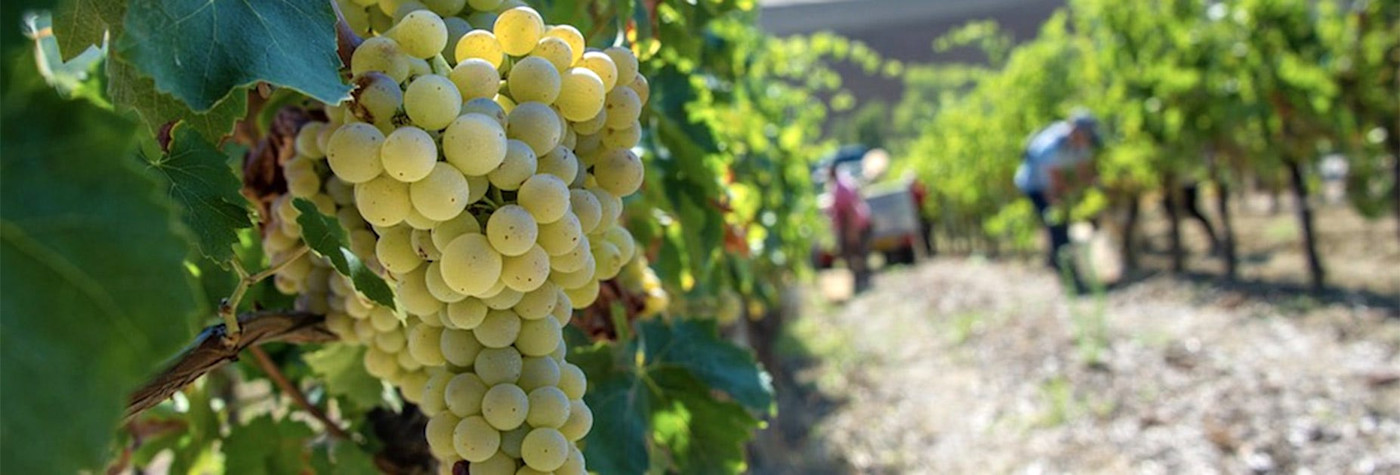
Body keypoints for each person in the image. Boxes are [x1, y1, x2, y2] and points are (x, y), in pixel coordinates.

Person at [1014, 111, 1100, 291]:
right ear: (1077, 131)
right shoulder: (1050, 147)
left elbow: (1085, 173)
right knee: (1057, 226)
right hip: (1036, 187)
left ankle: (1066, 268)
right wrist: (1066, 203)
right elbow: (1053, 186)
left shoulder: (1081, 142)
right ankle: (1066, 276)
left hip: (1054, 186)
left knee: (1064, 226)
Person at [828, 164, 873, 292]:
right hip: (857, 223)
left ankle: (861, 280)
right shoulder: (844, 182)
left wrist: (851, 233)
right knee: (858, 254)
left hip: (853, 225)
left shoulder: (840, 188)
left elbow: (849, 212)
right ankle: (861, 280)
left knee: (856, 254)